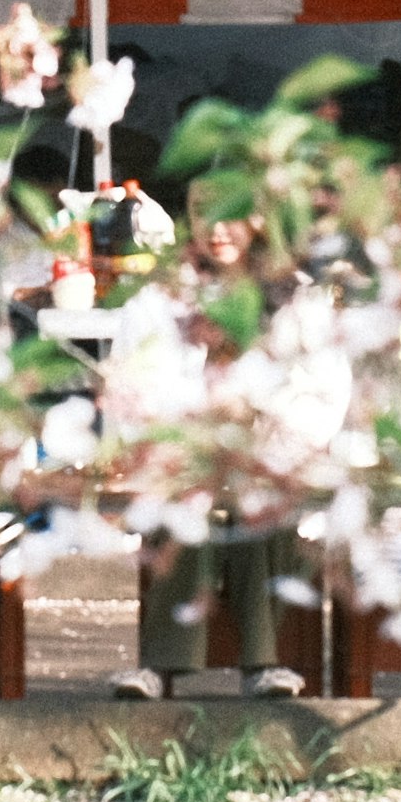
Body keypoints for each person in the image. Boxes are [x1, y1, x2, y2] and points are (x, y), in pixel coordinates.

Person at [112, 210, 308, 703]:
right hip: (184, 444)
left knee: (260, 501)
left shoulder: (290, 294)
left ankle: (263, 664)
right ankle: (161, 665)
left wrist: (261, 414)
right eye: (206, 216)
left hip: (267, 445)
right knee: (185, 501)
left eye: (234, 215)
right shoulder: (161, 297)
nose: (220, 229)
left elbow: (316, 380)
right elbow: (132, 380)